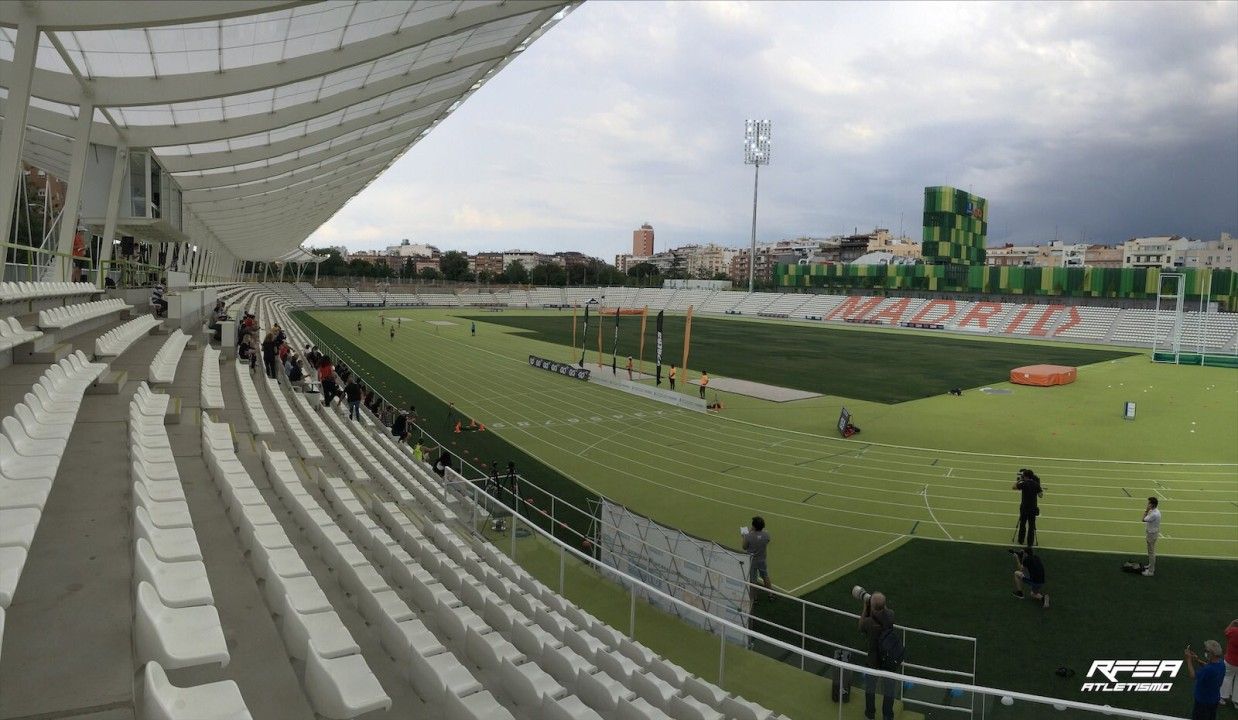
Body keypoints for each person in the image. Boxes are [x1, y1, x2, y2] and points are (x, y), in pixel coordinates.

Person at [859, 591, 897, 720]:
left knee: (870, 689)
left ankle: (870, 715)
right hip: (889, 658)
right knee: (889, 689)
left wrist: (866, 607)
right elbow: (885, 611)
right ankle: (887, 716)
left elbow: (861, 626)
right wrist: (878, 603)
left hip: (873, 659)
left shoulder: (869, 622)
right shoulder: (891, 615)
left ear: (872, 605)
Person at [1186, 640, 1225, 720]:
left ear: (1212, 653)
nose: (1205, 652)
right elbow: (1208, 666)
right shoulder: (1221, 664)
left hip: (1202, 702)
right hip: (1214, 699)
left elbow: (1193, 675)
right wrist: (1197, 660)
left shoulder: (1208, 670)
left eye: (1206, 651)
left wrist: (1188, 660)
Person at [742, 516, 772, 599]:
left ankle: (754, 597)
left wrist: (745, 537)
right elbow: (767, 540)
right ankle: (770, 594)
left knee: (753, 579)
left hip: (752, 561)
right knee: (765, 576)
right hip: (762, 559)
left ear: (754, 526)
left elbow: (744, 547)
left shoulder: (748, 536)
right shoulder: (766, 535)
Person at [1013, 468, 1042, 547]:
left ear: (1026, 476)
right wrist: (1038, 487)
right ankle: (1030, 542)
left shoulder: (1024, 484)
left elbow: (1014, 487)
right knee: (1032, 525)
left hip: (1024, 508)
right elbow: (1040, 495)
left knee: (1022, 524)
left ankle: (1021, 540)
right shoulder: (1036, 484)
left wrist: (1019, 480)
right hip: (1033, 508)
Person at [1221, 620, 1238, 708]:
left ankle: (1223, 698)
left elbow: (1226, 632)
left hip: (1230, 660)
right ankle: (1236, 701)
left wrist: (1232, 623)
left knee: (1227, 677)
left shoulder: (1234, 631)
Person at [1143, 496, 1161, 576]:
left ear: (1152, 504)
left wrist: (1146, 510)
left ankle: (1151, 571)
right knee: (1150, 551)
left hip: (1151, 534)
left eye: (1149, 503)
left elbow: (1143, 519)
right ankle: (1150, 566)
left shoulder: (1154, 514)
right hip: (1152, 532)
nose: (1148, 504)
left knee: (1151, 552)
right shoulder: (1155, 511)